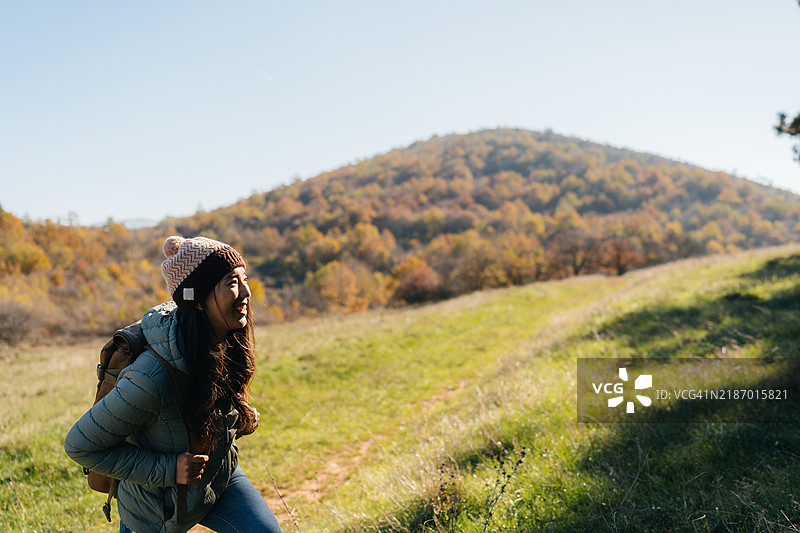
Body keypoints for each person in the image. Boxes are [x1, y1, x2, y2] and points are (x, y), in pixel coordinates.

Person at [65, 236, 282, 533]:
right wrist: (170, 469)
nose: (246, 291)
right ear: (198, 300)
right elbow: (80, 446)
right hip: (155, 512)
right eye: (232, 282)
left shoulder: (224, 343)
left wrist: (238, 418)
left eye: (244, 279)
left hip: (217, 482)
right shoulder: (151, 377)